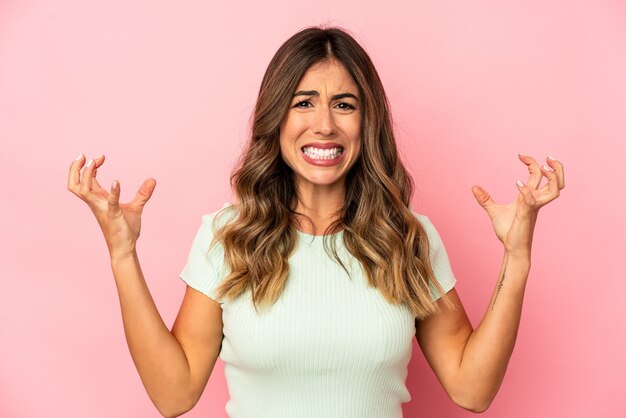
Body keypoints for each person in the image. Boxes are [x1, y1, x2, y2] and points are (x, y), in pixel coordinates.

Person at [67, 26, 565, 418]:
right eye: (303, 102)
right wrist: (123, 254)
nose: (324, 123)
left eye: (344, 105)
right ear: (275, 118)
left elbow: (472, 389)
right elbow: (173, 395)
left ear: (366, 122)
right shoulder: (228, 235)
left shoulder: (408, 237)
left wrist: (516, 258)